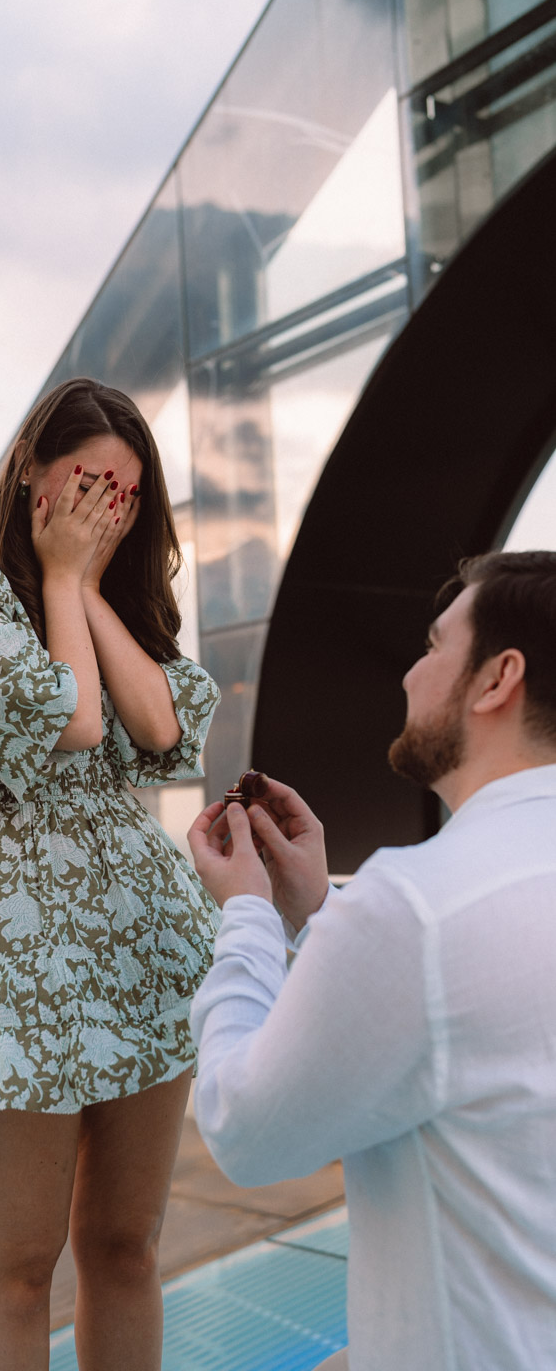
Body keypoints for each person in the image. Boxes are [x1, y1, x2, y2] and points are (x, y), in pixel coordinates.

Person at [0, 377, 220, 1369]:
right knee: (16, 1266)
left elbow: (160, 729)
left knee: (126, 1247)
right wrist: (60, 574)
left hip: (138, 934)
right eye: (85, 483)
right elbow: (73, 721)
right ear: (29, 471)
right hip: (15, 943)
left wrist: (77, 585)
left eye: (124, 495)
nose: (102, 511)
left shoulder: (108, 599)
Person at [187, 550, 556, 1371]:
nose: (409, 675)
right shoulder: (436, 907)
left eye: (433, 646)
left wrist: (247, 915)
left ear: (497, 679)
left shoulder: (417, 903)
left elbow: (245, 1131)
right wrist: (321, 913)